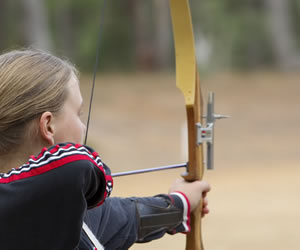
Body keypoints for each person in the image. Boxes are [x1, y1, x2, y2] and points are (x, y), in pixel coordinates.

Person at [0, 49, 210, 250]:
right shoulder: (59, 186)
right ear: (48, 126)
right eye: (78, 113)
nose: (82, 126)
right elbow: (74, 167)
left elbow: (131, 217)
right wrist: (98, 184)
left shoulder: (72, 214)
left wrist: (180, 203)